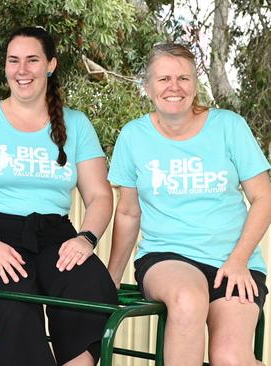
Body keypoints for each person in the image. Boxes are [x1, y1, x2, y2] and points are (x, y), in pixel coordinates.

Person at [0, 26, 118, 366]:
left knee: (93, 288)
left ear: (50, 65)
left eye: (32, 60)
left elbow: (99, 195)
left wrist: (86, 238)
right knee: (17, 301)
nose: (22, 70)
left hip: (55, 237)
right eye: (13, 61)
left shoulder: (76, 125)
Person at [107, 43, 271, 366]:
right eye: (164, 78)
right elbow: (127, 212)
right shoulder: (133, 136)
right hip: (167, 256)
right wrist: (110, 276)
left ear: (195, 85)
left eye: (183, 78)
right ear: (148, 86)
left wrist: (238, 260)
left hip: (234, 263)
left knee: (230, 357)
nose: (174, 87)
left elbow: (264, 197)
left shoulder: (229, 127)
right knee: (188, 300)